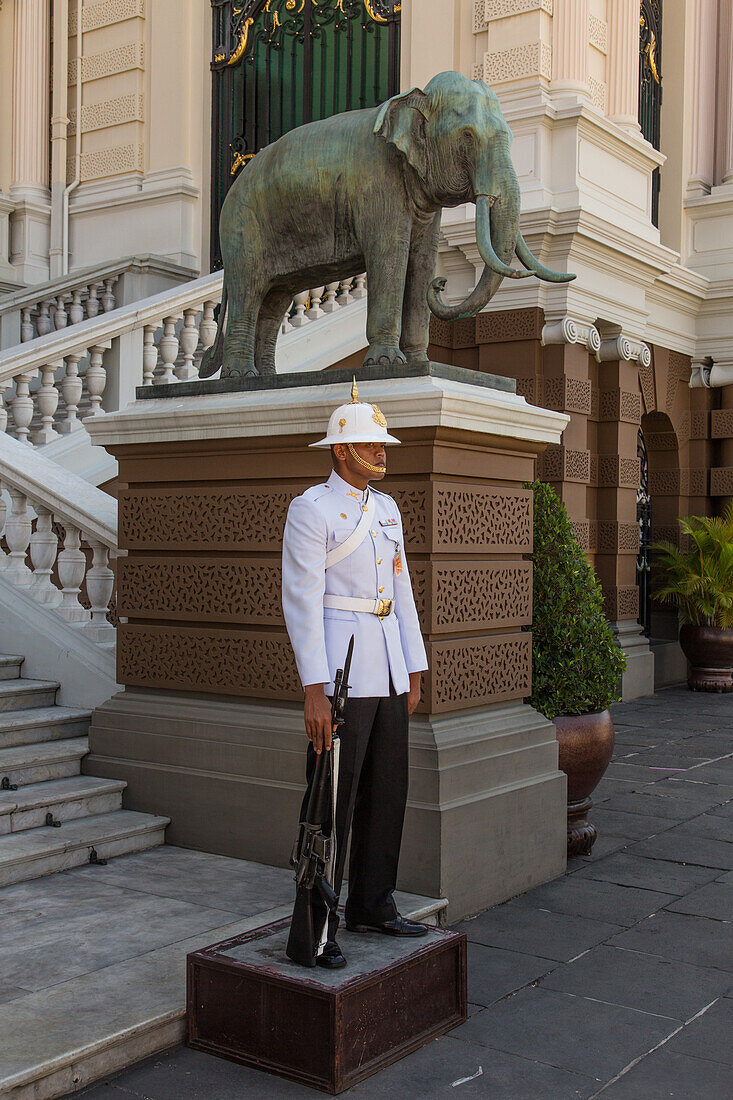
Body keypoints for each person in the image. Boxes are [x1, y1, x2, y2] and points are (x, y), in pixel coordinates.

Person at [281, 379, 429, 968]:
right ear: (342, 450)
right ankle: (319, 925)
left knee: (387, 794)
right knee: (330, 805)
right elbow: (301, 598)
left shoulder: (388, 509)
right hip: (340, 678)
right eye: (373, 445)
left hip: (387, 670)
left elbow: (402, 591)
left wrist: (413, 668)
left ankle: (374, 901)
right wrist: (313, 690)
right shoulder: (310, 509)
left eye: (384, 445)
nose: (383, 453)